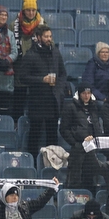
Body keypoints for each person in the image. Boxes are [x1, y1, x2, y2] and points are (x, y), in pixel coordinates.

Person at [17, 24, 67, 157]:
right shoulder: (30, 55)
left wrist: (59, 89)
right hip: (37, 102)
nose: (48, 39)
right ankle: (32, 164)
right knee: (35, 134)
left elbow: (62, 73)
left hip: (53, 101)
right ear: (38, 37)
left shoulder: (55, 52)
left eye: (50, 36)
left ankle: (52, 166)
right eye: (46, 36)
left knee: (52, 135)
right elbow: (22, 77)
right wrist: (41, 80)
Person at [59, 83, 101, 191]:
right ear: (79, 94)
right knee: (75, 177)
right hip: (78, 148)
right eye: (84, 93)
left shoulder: (94, 107)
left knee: (90, 177)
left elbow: (96, 125)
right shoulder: (70, 107)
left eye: (88, 93)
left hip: (92, 148)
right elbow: (64, 129)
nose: (86, 96)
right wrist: (75, 143)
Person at [11, 0, 44, 120]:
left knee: (35, 103)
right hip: (20, 68)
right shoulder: (13, 25)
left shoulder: (42, 25)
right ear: (23, 10)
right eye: (28, 10)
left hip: (37, 70)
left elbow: (49, 42)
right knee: (18, 101)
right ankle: (16, 125)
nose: (31, 13)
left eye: (33, 10)